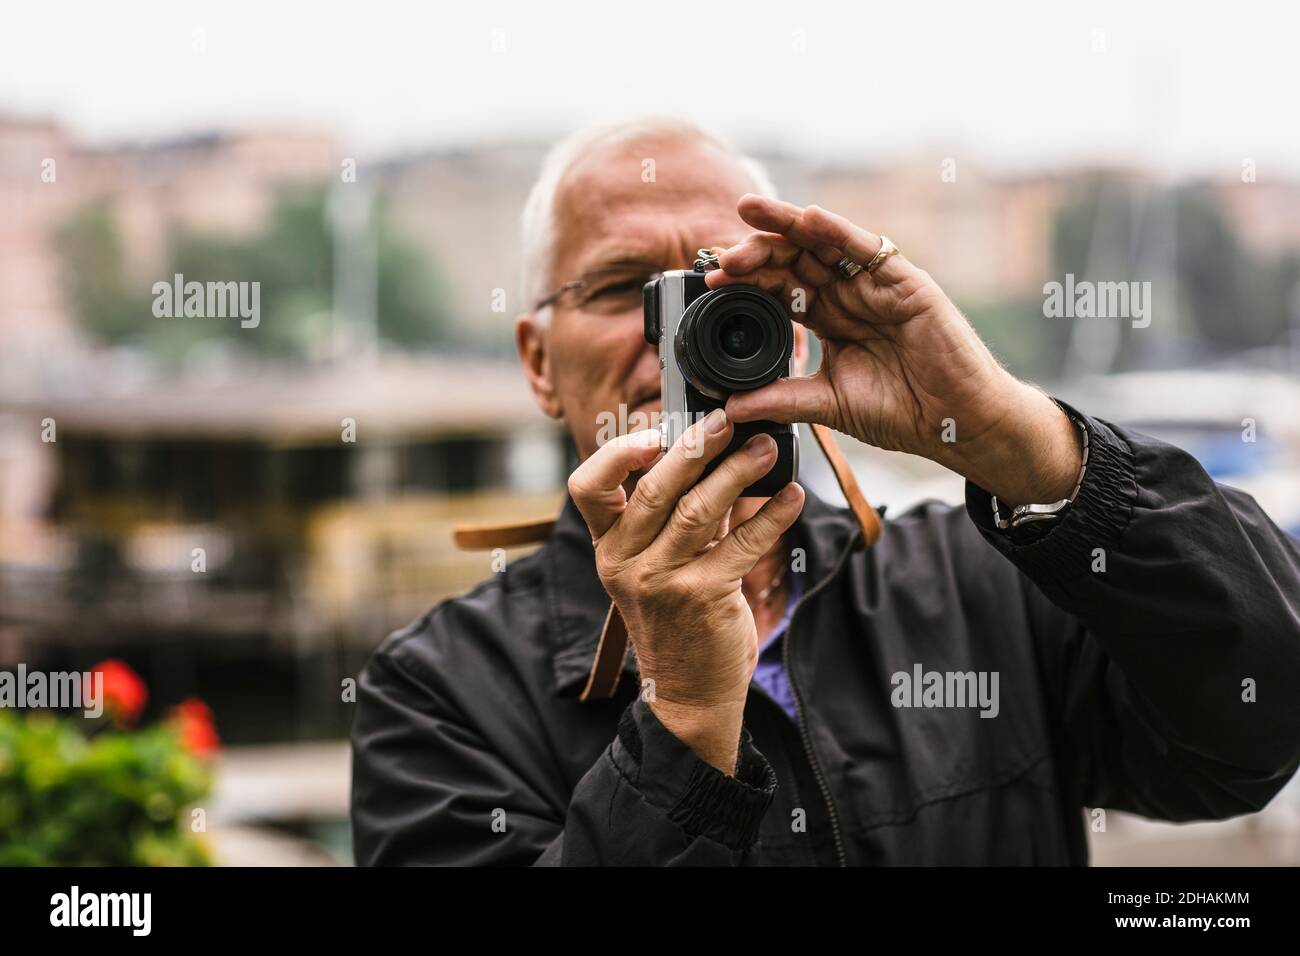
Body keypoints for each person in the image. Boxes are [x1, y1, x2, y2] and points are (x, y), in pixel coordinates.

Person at [350, 117, 1300, 865]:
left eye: (720, 288)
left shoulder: (983, 586)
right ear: (538, 363)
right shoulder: (436, 693)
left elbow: (1254, 728)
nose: (675, 332)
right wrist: (683, 712)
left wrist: (1015, 438)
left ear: (790, 325)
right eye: (621, 288)